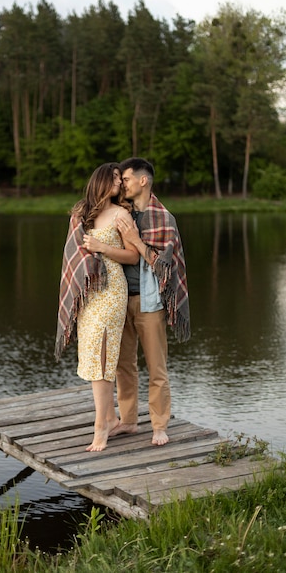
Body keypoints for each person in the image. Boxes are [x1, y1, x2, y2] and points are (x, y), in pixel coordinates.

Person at [55, 163, 139, 452]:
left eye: (121, 178)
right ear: (102, 181)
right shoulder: (81, 214)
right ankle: (112, 417)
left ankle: (100, 425)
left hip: (112, 290)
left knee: (103, 356)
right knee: (92, 355)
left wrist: (102, 248)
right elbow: (73, 255)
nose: (119, 182)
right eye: (114, 177)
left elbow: (133, 256)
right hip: (88, 293)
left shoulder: (121, 214)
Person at [111, 157, 190, 446]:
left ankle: (159, 425)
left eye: (128, 179)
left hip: (150, 302)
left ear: (143, 181)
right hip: (120, 299)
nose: (123, 184)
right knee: (124, 366)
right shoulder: (120, 212)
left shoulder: (164, 218)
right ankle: (129, 421)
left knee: (157, 367)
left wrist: (136, 239)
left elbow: (164, 268)